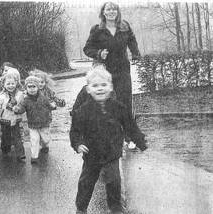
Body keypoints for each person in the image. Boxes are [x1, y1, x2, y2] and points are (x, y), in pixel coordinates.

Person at [69, 67, 147, 214]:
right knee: (86, 182)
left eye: (103, 85)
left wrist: (140, 141)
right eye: (95, 86)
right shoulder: (83, 111)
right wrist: (78, 144)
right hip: (92, 154)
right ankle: (81, 207)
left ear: (110, 87)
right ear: (88, 89)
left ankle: (115, 208)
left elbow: (130, 125)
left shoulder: (119, 108)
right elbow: (75, 131)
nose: (100, 89)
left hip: (112, 153)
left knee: (114, 181)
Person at [83, 2, 140, 146]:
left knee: (125, 102)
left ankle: (129, 137)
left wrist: (135, 53)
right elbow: (87, 48)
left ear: (117, 12)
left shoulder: (125, 27)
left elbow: (132, 41)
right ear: (103, 12)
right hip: (105, 71)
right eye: (108, 9)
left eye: (114, 9)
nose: (111, 12)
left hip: (122, 70)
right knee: (105, 101)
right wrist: (98, 53)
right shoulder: (97, 30)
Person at [13, 76, 56, 163]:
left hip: (44, 123)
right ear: (26, 88)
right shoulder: (25, 100)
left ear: (38, 87)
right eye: (29, 87)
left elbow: (49, 105)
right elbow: (21, 108)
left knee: (45, 139)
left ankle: (45, 145)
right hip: (32, 125)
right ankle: (34, 157)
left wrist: (53, 106)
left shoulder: (43, 97)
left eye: (34, 86)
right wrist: (17, 110)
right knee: (34, 140)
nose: (32, 89)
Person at [30, 69, 66, 153]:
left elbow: (54, 98)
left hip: (46, 115)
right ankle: (41, 143)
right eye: (38, 82)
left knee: (45, 131)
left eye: (42, 82)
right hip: (34, 116)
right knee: (37, 131)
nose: (40, 84)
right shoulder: (32, 91)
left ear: (45, 82)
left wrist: (60, 102)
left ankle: (45, 143)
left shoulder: (48, 91)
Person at [0, 73, 25, 161]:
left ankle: (20, 154)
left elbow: (23, 103)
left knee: (17, 137)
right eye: (8, 84)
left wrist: (20, 108)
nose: (11, 86)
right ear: (4, 85)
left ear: (16, 83)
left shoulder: (20, 94)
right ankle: (5, 150)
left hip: (16, 119)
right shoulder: (2, 96)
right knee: (5, 137)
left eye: (12, 83)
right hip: (5, 119)